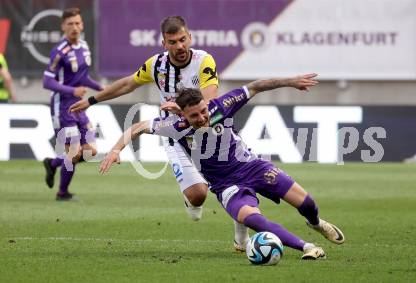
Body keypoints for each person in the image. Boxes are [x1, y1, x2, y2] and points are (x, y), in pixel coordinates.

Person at [100, 73, 346, 260]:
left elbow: (256, 86)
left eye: (203, 111)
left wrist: (290, 81)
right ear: (183, 116)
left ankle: (316, 224)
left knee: (307, 204)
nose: (202, 118)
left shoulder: (221, 106)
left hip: (253, 167)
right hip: (226, 186)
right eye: (194, 116)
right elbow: (138, 127)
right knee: (253, 219)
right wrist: (115, 150)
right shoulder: (175, 128)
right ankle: (308, 247)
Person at [69, 16, 249, 250]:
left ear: (190, 38)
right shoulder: (156, 65)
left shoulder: (204, 61)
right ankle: (191, 196)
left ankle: (241, 238)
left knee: (236, 180)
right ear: (164, 43)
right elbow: (127, 84)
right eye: (173, 41)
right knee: (197, 196)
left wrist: (184, 110)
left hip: (208, 130)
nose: (180, 46)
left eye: (183, 40)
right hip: (176, 136)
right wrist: (92, 100)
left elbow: (211, 99)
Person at [42, 7, 103, 200]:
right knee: (74, 152)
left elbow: (82, 76)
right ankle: (62, 193)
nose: (74, 27)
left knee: (90, 151)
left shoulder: (84, 47)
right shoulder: (59, 51)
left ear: (82, 24)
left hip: (80, 106)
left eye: (77, 23)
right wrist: (72, 91)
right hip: (63, 107)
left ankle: (53, 164)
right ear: (63, 27)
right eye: (70, 24)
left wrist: (102, 89)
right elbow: (47, 81)